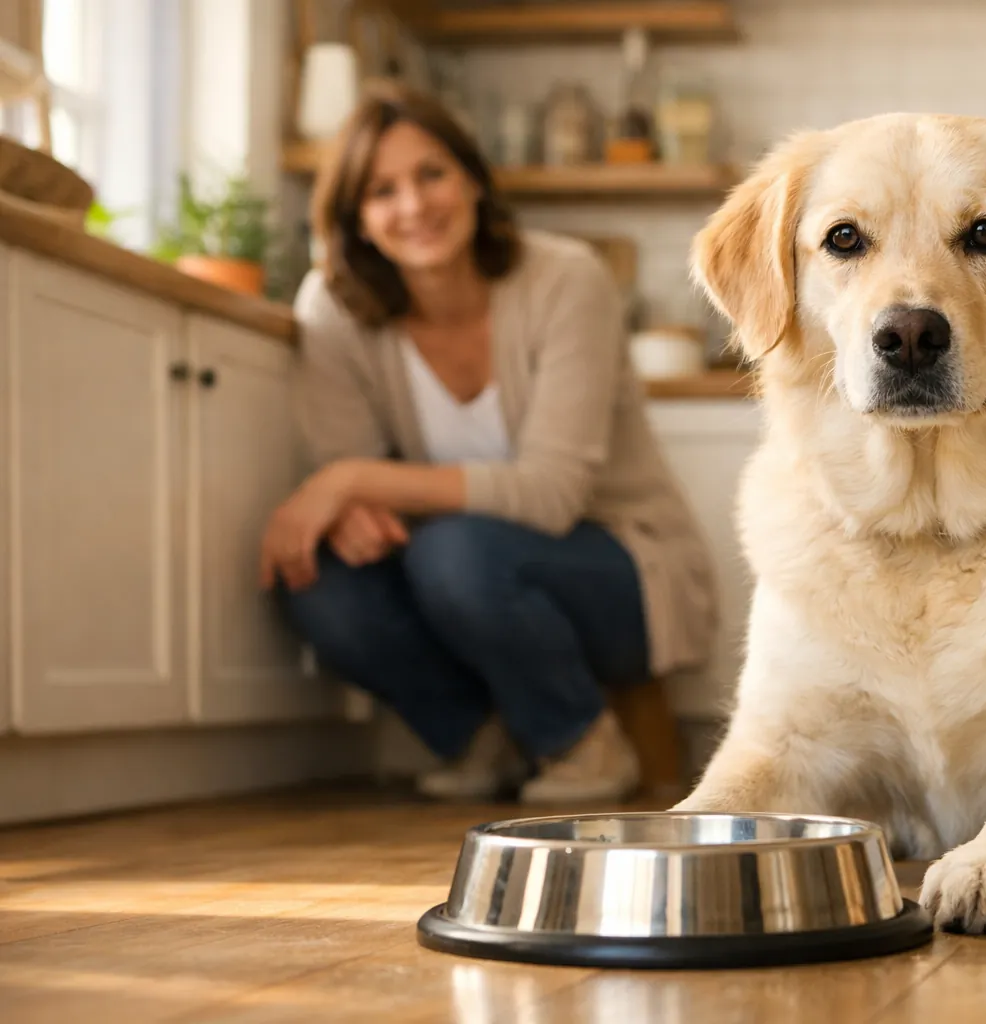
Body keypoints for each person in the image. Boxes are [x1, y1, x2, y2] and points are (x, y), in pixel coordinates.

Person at [260, 83, 717, 804]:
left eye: (431, 173)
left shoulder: (567, 279)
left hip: (625, 572)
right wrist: (350, 495)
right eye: (382, 191)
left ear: (473, 178)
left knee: (455, 552)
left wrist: (347, 482)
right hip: (458, 572)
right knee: (317, 575)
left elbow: (550, 494)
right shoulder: (333, 306)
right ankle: (477, 735)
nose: (414, 205)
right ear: (356, 220)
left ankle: (581, 743)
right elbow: (354, 468)